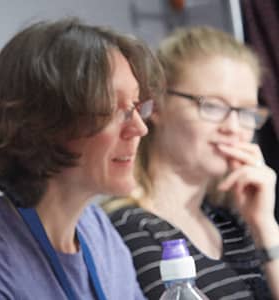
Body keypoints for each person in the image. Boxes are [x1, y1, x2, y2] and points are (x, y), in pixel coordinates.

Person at [0, 18, 164, 299]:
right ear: (45, 122)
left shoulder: (99, 231)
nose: (139, 128)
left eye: (135, 106)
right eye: (114, 108)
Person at [104, 26, 278, 299]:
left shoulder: (231, 221)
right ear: (157, 105)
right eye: (212, 105)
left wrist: (266, 227)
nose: (233, 127)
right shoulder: (128, 231)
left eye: (245, 112)